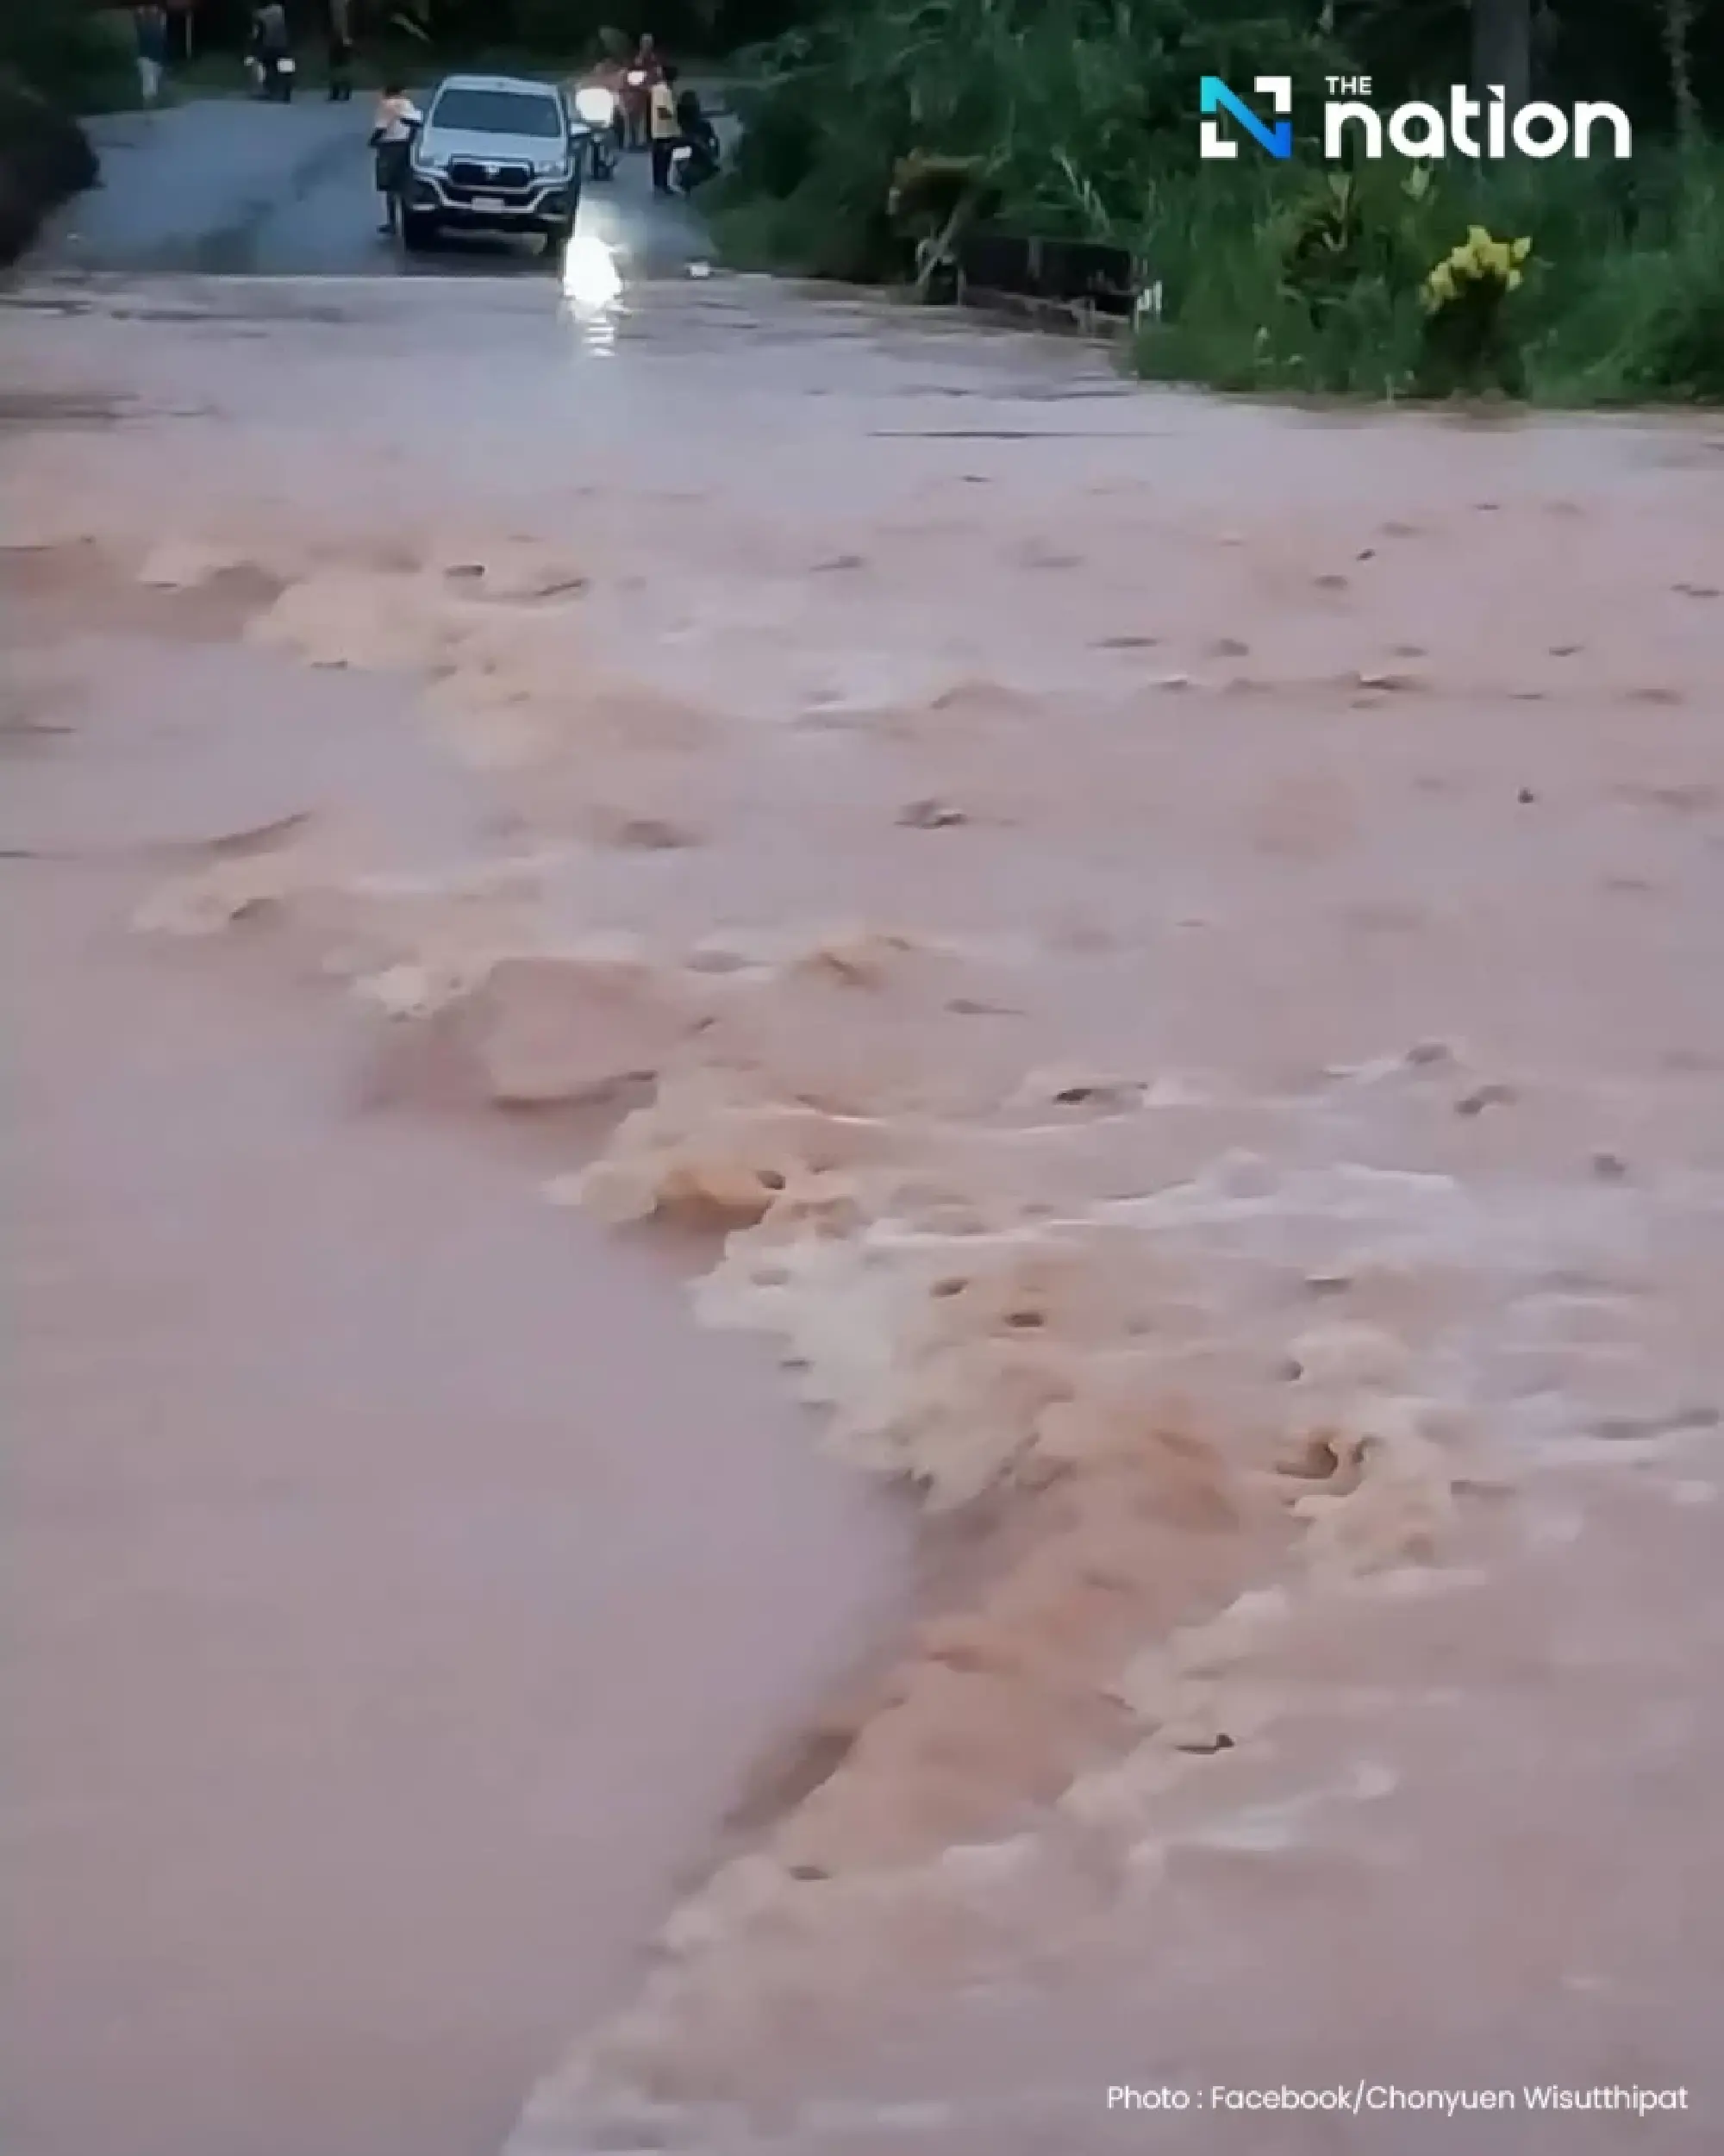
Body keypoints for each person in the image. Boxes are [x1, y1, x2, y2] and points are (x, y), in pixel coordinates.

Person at [369, 84, 422, 236]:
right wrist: (410, 140)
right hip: (404, 146)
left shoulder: (387, 106)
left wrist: (372, 141)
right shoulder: (407, 104)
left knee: (390, 188)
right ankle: (409, 220)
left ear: (387, 92)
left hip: (389, 146)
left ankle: (392, 223)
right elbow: (416, 124)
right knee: (405, 185)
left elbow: (381, 128)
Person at [648, 60, 680, 196]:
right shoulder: (662, 91)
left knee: (660, 159)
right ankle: (663, 184)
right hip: (664, 131)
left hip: (661, 131)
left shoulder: (663, 89)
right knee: (664, 159)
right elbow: (662, 111)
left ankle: (659, 183)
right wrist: (675, 115)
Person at [134, 6, 168, 104]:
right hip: (147, 59)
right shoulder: (143, 21)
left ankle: (150, 111)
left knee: (152, 87)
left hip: (156, 58)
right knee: (149, 89)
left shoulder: (158, 22)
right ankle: (149, 113)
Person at [327, 0, 354, 102]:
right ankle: (339, 90)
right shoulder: (339, 4)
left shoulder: (340, 4)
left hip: (340, 38)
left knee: (339, 65)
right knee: (339, 65)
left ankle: (340, 91)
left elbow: (342, 22)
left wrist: (345, 37)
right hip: (337, 37)